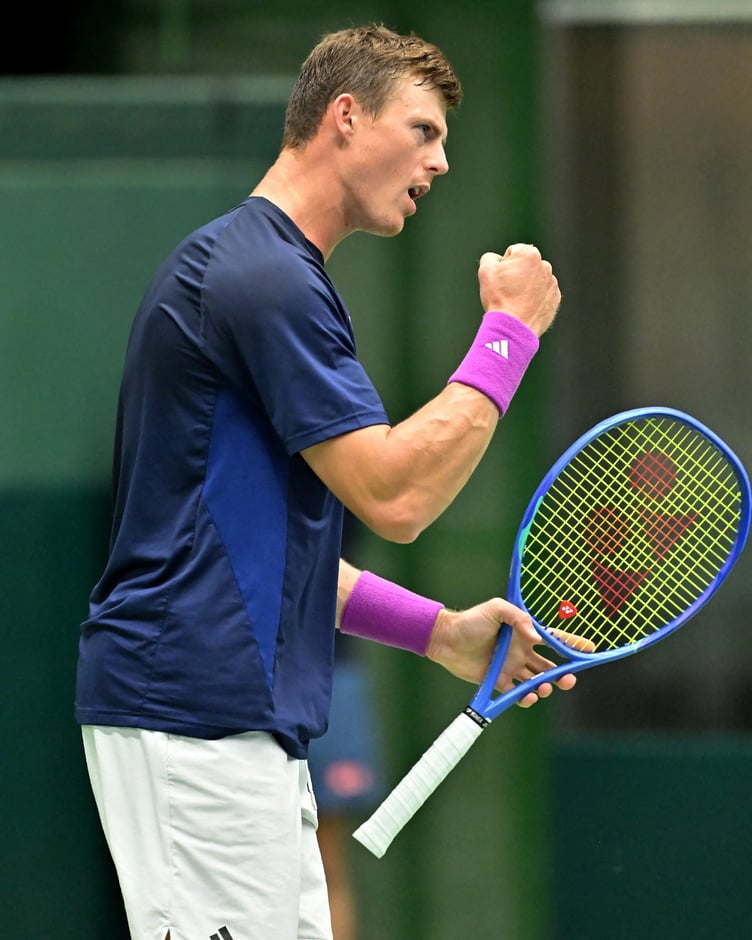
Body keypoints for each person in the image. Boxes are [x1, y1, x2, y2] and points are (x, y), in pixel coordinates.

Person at [75, 23, 576, 940]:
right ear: (345, 117)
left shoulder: (263, 273)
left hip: (232, 726)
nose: (442, 162)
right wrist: (509, 336)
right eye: (423, 131)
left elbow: (256, 553)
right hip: (196, 722)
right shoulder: (261, 276)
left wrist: (438, 632)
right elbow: (398, 496)